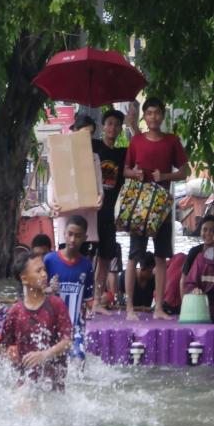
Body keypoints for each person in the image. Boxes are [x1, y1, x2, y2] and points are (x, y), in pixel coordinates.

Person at [124, 97, 189, 320]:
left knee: (162, 256)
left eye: (157, 113)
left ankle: (159, 308)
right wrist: (135, 173)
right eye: (149, 113)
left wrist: (165, 176)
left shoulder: (172, 141)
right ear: (145, 116)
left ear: (162, 115)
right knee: (134, 254)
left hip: (161, 204)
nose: (153, 117)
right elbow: (125, 170)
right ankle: (130, 307)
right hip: (140, 204)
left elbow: (184, 171)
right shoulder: (136, 141)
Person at [0, 251, 73, 391]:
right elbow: (1, 348)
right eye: (38, 271)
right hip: (26, 383)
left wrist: (44, 354)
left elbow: (68, 341)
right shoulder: (15, 312)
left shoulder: (56, 305)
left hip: (53, 385)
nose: (44, 274)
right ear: (24, 279)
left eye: (44, 269)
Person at [93, 108, 139, 309]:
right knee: (86, 256)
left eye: (116, 125)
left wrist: (133, 125)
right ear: (103, 126)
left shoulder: (122, 154)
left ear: (120, 129)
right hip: (90, 209)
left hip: (110, 212)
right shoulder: (92, 146)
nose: (112, 127)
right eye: (109, 123)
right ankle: (83, 300)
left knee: (104, 258)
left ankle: (96, 300)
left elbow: (141, 148)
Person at [47, 114, 104, 269]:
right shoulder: (59, 154)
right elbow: (53, 182)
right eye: (84, 133)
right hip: (67, 215)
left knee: (85, 262)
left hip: (88, 216)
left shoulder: (94, 157)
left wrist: (100, 198)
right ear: (75, 132)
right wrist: (52, 202)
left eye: (90, 134)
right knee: (65, 261)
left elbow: (98, 184)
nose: (87, 137)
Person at [43, 215, 94, 359]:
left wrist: (99, 303)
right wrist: (48, 289)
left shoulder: (87, 265)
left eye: (77, 236)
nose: (72, 240)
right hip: (50, 324)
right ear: (64, 234)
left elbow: (88, 301)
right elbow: (37, 292)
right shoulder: (49, 260)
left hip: (75, 326)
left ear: (85, 237)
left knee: (78, 359)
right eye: (70, 234)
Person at [180, 215, 214, 297]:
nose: (208, 233)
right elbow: (183, 280)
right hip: (195, 297)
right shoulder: (194, 252)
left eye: (212, 230)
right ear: (200, 232)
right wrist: (184, 304)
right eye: (205, 230)